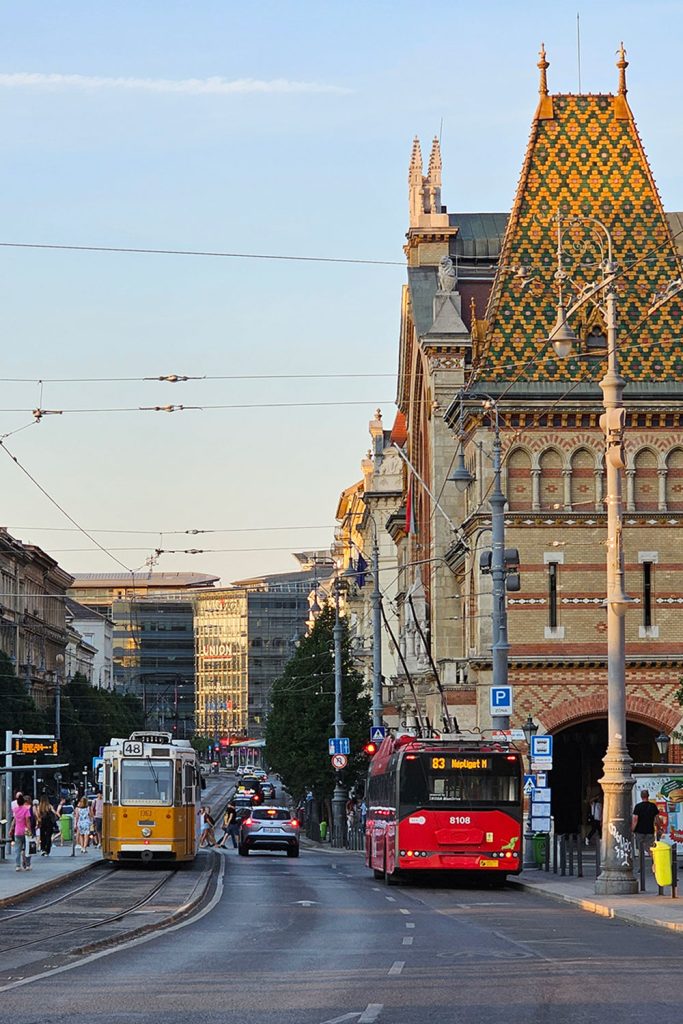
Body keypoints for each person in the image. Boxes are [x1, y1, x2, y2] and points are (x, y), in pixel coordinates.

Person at [632, 789, 662, 856]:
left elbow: (635, 820)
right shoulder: (653, 806)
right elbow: (657, 819)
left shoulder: (638, 806)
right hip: (650, 831)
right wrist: (659, 828)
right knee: (651, 849)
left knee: (640, 849)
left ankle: (641, 865)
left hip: (639, 831)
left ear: (641, 796)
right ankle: (654, 864)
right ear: (648, 796)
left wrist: (632, 830)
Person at [10, 794, 34, 871]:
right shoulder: (26, 810)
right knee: (27, 849)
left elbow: (14, 820)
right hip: (26, 831)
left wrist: (11, 829)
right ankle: (27, 865)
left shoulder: (15, 810)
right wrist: (30, 830)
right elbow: (27, 821)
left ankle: (17, 866)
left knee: (17, 849)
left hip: (17, 831)